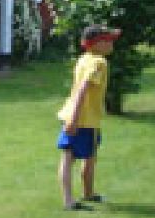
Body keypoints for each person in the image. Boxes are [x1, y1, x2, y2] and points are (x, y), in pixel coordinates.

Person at [57, 24, 121, 211]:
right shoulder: (99, 63)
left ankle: (80, 195)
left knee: (77, 156)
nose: (111, 44)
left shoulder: (84, 59)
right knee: (80, 157)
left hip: (73, 114)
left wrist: (71, 117)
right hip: (84, 119)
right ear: (97, 43)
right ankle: (76, 198)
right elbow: (83, 88)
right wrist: (75, 119)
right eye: (108, 40)